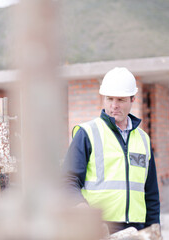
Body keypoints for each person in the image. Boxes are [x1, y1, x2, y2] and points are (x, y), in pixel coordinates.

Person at [62, 67, 160, 234]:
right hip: (99, 228)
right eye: (109, 99)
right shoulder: (87, 133)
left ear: (132, 99)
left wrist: (155, 230)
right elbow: (67, 181)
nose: (114, 106)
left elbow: (151, 194)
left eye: (121, 100)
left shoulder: (143, 139)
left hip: (137, 228)